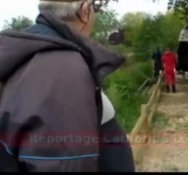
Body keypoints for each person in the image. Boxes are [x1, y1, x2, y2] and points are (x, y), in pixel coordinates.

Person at [0, 0, 134, 172]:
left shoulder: (27, 55)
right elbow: (66, 164)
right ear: (85, 11)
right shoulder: (64, 71)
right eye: (96, 8)